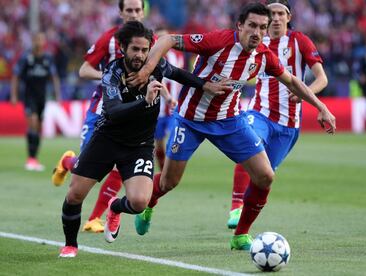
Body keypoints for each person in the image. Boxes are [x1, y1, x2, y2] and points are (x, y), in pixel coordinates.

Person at [131, 2, 336, 251]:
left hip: (229, 121)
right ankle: (149, 205)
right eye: (252, 26)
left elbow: (293, 81)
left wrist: (321, 107)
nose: (257, 32)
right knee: (169, 182)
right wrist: (148, 69)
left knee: (265, 176)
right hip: (191, 120)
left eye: (263, 27)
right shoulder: (218, 41)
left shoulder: (263, 55)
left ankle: (241, 234)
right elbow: (167, 40)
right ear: (240, 25)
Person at [58, 21, 229, 258]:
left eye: (144, 50)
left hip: (139, 146)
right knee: (75, 195)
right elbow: (114, 110)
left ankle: (114, 207)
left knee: (139, 202)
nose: (139, 55)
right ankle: (70, 245)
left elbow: (179, 74)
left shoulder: (156, 66)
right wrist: (145, 101)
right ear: (123, 48)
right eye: (134, 49)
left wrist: (204, 85)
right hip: (106, 139)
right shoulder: (112, 73)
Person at [226, 0, 329, 229]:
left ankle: (241, 233)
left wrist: (305, 94)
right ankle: (235, 207)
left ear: (288, 16)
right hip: (259, 112)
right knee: (248, 147)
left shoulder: (299, 41)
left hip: (289, 124)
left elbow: (322, 78)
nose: (276, 18)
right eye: (272, 13)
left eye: (280, 13)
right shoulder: (256, 41)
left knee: (263, 178)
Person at [51, 0, 146, 234]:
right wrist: (110, 76)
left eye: (137, 10)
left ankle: (95, 217)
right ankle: (67, 162)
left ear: (143, 12)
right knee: (85, 167)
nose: (134, 15)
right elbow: (84, 69)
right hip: (103, 109)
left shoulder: (147, 41)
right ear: (121, 13)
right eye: (129, 11)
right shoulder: (109, 38)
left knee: (119, 165)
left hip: (131, 113)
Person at [10, 32, 61, 171]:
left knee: (38, 127)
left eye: (41, 39)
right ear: (33, 41)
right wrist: (14, 95)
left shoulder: (48, 58)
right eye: (37, 39)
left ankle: (34, 158)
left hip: (42, 97)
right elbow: (16, 75)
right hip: (29, 96)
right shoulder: (26, 57)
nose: (39, 42)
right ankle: (30, 158)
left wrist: (57, 94)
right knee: (32, 123)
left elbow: (54, 76)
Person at [154, 26, 184, 170]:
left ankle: (171, 170)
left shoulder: (178, 56)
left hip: (173, 108)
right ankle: (163, 171)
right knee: (159, 144)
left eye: (164, 38)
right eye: (158, 38)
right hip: (156, 110)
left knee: (174, 140)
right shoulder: (153, 57)